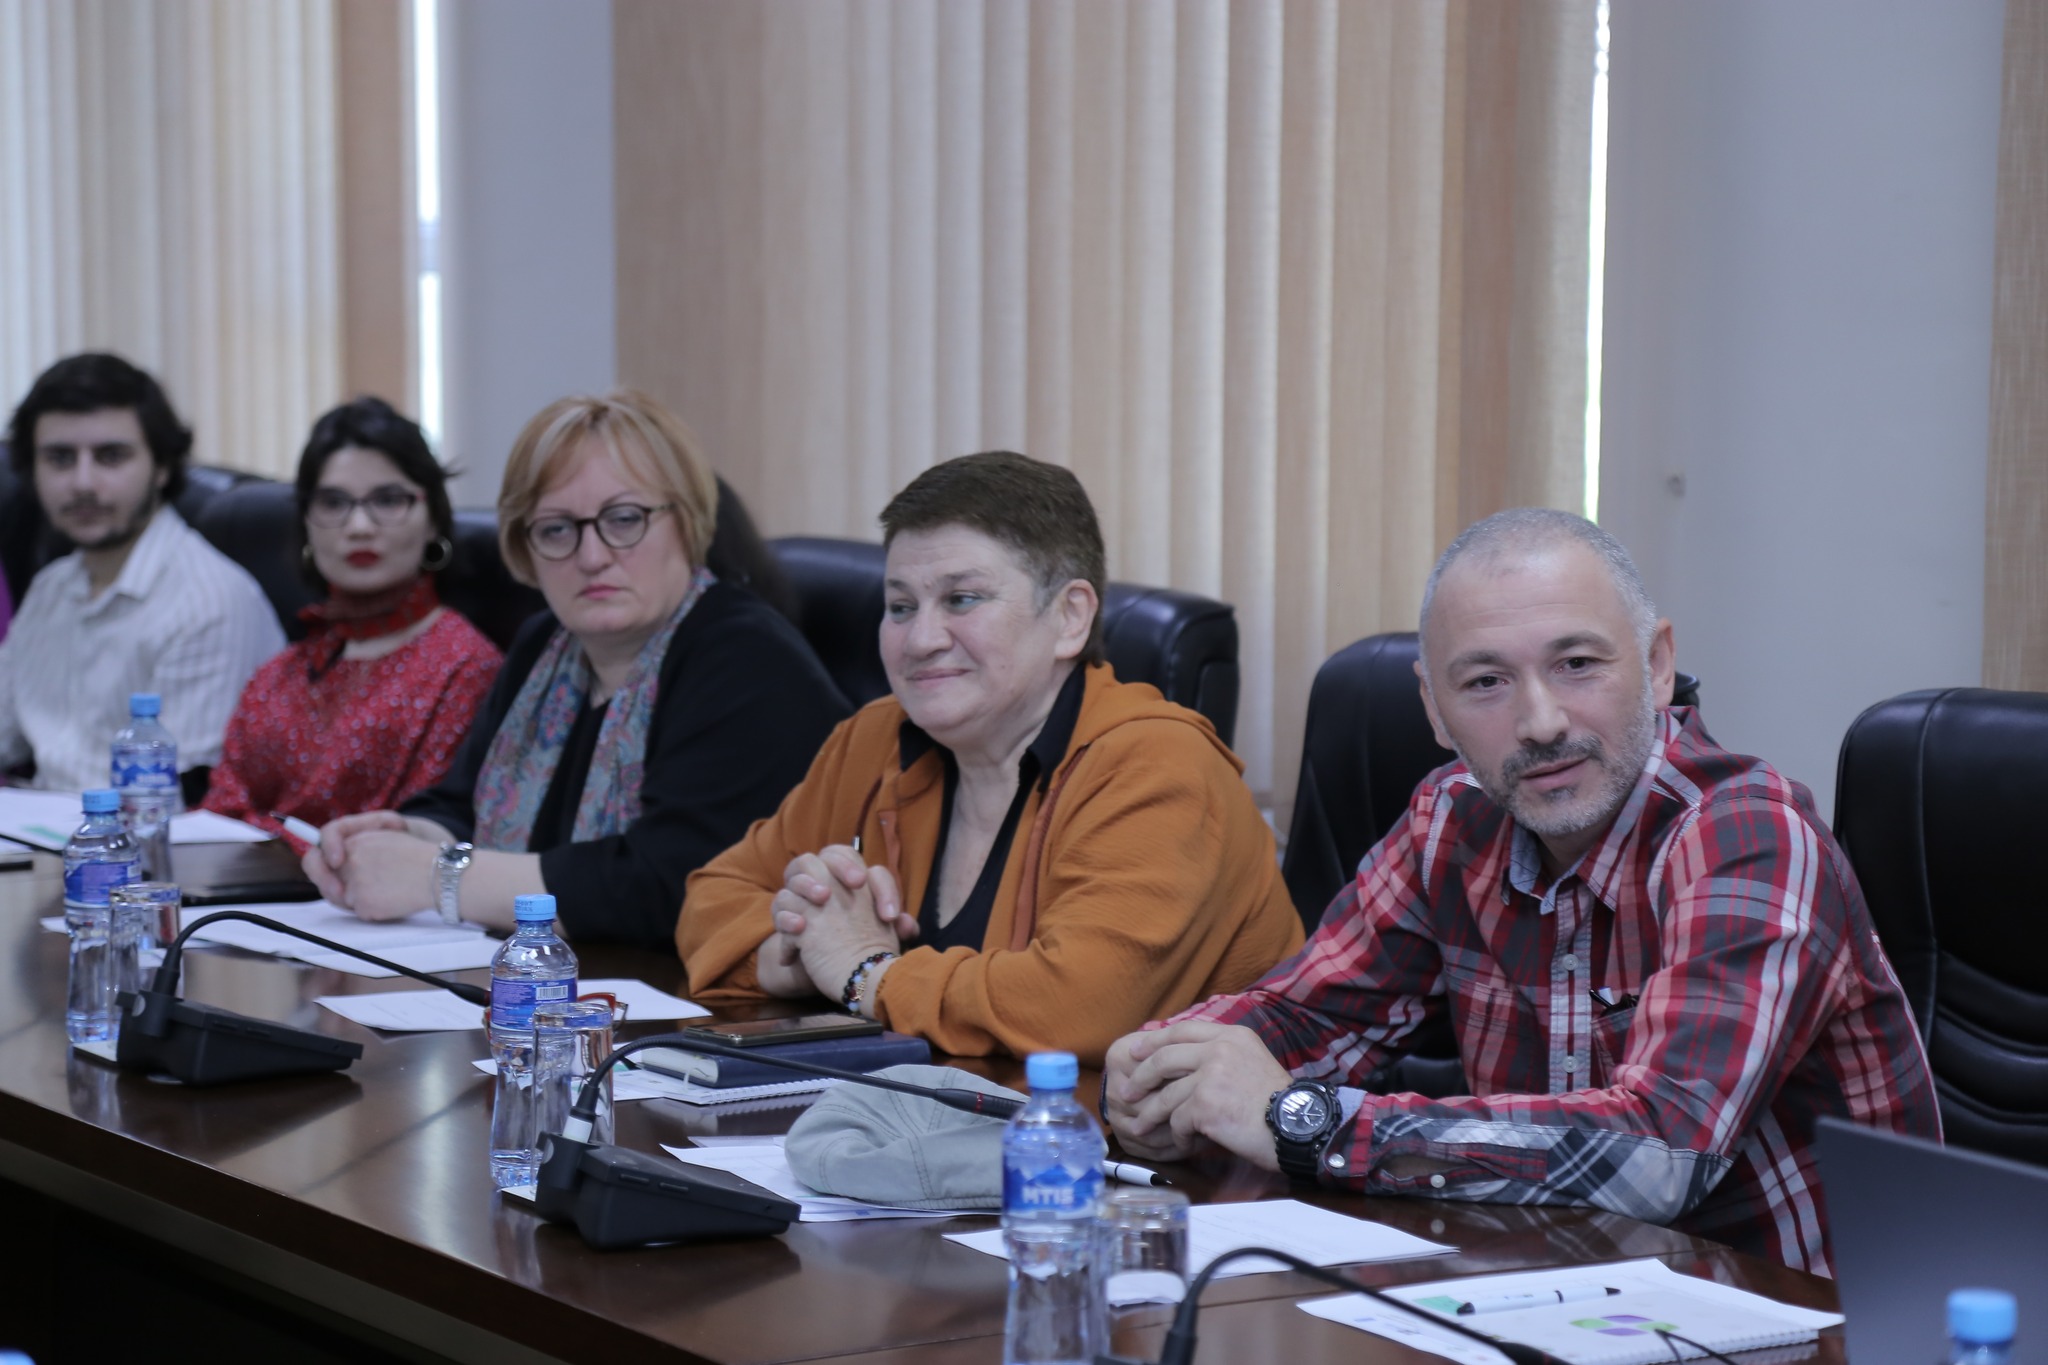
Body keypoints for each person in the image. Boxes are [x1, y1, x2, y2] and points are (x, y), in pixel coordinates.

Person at [1103, 507, 1939, 1275]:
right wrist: (1168, 1068)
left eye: (1577, 664)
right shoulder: (1451, 818)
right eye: (1486, 683)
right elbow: (1310, 1018)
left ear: (1656, 666)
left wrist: (1309, 1122)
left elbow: (1663, 1151)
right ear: (1435, 710)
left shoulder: (1749, 838)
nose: (1541, 723)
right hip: (1553, 1285)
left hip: (1797, 1317)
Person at [675, 451, 1304, 1065]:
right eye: (900, 607)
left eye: (962, 599)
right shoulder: (875, 738)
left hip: (1140, 1133)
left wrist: (864, 972)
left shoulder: (1160, 765)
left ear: (1070, 617)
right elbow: (712, 901)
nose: (921, 640)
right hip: (924, 1114)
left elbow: (1072, 1008)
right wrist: (796, 953)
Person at [303, 390, 848, 947]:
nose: (592, 556)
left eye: (625, 519)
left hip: (688, 992)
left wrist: (436, 877)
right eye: (557, 529)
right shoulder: (546, 645)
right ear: (525, 548)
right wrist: (400, 837)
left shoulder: (747, 658)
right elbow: (463, 806)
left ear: (687, 524)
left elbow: (671, 885)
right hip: (545, 980)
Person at [202, 398, 502, 840]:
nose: (359, 525)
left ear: (434, 520)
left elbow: (413, 837)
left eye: (389, 500)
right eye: (333, 502)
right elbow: (218, 814)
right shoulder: (282, 672)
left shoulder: (466, 668)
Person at [0, 353, 283, 793]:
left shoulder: (210, 603)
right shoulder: (51, 587)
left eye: (111, 457)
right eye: (60, 458)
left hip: (142, 835)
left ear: (162, 467)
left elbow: (175, 805)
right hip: (40, 827)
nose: (83, 483)